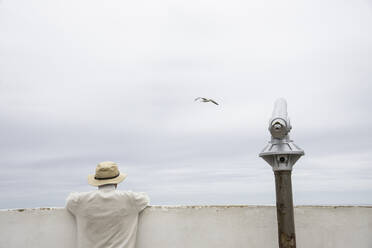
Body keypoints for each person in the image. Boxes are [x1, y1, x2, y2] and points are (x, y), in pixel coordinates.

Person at [66, 161, 149, 248]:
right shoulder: (130, 199)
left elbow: (69, 200)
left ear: (96, 181)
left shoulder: (80, 201)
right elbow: (145, 198)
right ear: (116, 182)